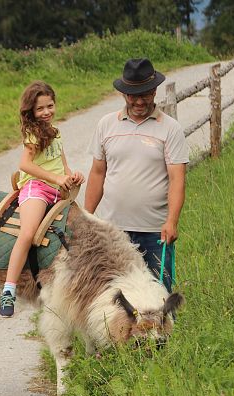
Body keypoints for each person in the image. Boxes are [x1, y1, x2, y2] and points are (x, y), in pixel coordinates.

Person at [84, 58, 189, 293]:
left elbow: (177, 179)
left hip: (155, 230)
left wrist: (171, 221)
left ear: (154, 91)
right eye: (133, 95)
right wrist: (87, 217)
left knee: (158, 293)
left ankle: (162, 332)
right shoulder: (106, 125)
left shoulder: (170, 128)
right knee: (114, 294)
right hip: (112, 230)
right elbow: (98, 173)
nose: (140, 101)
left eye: (145, 94)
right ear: (124, 94)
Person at [0, 81, 85, 317]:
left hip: (57, 190)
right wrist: (55, 178)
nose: (46, 112)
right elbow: (24, 164)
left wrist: (72, 176)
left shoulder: (56, 133)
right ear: (31, 112)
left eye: (50, 106)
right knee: (28, 233)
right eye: (40, 109)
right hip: (37, 188)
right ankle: (9, 289)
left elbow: (63, 166)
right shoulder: (33, 135)